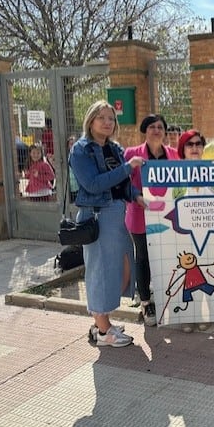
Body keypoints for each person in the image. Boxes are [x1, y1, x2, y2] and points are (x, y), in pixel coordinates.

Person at [69, 100, 145, 347]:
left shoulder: (114, 149)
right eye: (101, 117)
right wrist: (126, 169)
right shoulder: (81, 150)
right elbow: (92, 184)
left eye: (111, 118)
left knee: (121, 270)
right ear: (90, 121)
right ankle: (104, 332)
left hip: (116, 214)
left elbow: (122, 185)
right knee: (101, 271)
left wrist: (136, 196)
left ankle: (102, 322)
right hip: (97, 215)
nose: (107, 122)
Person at [125, 114, 179, 327]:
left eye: (160, 127)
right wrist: (136, 196)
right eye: (152, 127)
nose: (156, 130)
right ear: (145, 131)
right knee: (144, 257)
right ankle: (146, 301)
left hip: (168, 216)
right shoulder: (132, 154)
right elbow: (123, 183)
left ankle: (166, 297)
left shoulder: (174, 155)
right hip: (140, 215)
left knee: (166, 256)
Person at [176, 129, 213, 333]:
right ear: (183, 148)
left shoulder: (211, 170)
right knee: (187, 275)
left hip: (206, 231)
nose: (195, 148)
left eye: (198, 144)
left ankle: (203, 314)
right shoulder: (172, 173)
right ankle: (187, 315)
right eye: (190, 144)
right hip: (182, 231)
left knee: (204, 274)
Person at [67, 136, 80, 203]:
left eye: (75, 143)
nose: (73, 145)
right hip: (69, 187)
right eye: (71, 144)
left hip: (78, 186)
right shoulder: (66, 157)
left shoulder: (81, 156)